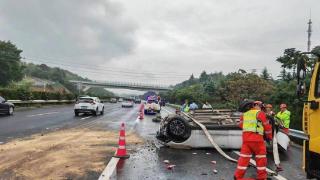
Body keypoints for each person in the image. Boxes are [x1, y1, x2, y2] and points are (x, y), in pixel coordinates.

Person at [234, 101, 272, 180]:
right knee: (261, 158)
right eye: (261, 106)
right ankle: (262, 177)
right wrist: (269, 137)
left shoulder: (245, 114)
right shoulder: (260, 113)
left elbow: (240, 124)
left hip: (246, 140)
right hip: (257, 140)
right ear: (257, 105)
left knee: (244, 158)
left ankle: (238, 176)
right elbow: (267, 127)